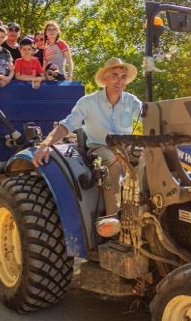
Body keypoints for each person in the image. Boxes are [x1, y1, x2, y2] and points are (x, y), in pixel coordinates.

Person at [32, 57, 141, 237]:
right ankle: (114, 224)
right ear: (105, 78)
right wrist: (46, 144)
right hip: (99, 147)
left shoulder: (132, 102)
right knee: (113, 162)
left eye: (123, 77)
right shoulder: (88, 102)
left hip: (126, 148)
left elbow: (150, 118)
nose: (120, 81)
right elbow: (67, 125)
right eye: (115, 76)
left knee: (152, 160)